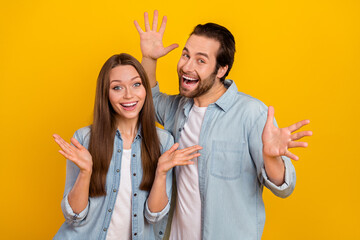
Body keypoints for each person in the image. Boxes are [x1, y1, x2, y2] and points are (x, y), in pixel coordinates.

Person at [134, 11, 313, 240]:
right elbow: (147, 99)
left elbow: (284, 187)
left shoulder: (251, 113)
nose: (187, 66)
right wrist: (148, 57)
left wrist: (270, 157)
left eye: (201, 60)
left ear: (221, 69)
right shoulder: (177, 108)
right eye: (185, 55)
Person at [53, 53, 202, 240]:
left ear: (145, 89)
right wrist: (85, 172)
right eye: (117, 87)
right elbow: (74, 216)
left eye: (136, 84)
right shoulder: (84, 139)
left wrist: (161, 172)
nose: (129, 95)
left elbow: (154, 216)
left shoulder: (163, 142)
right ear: (105, 94)